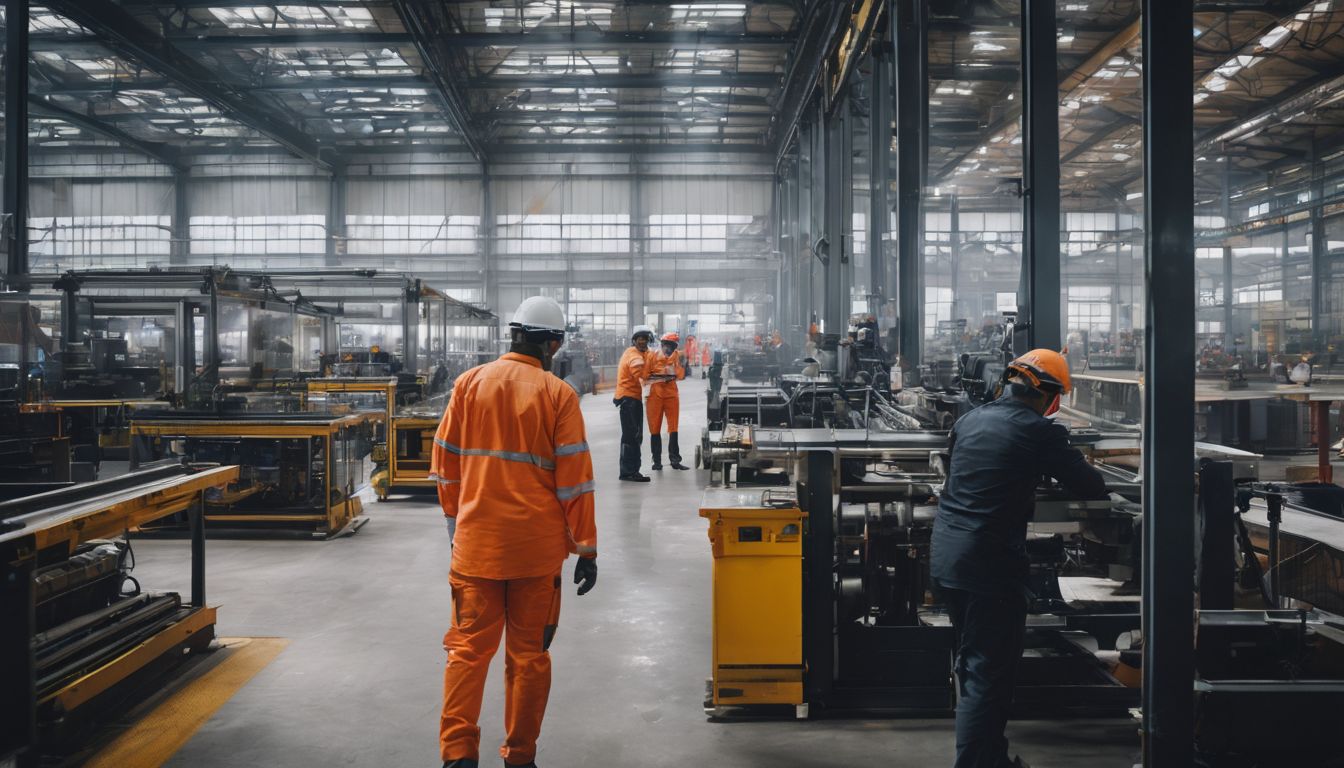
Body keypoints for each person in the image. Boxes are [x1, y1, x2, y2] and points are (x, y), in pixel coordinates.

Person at [430, 296, 599, 768]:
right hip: (535, 555)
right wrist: (586, 549)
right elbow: (576, 483)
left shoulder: (469, 384)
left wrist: (456, 524)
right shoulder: (557, 394)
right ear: (552, 343)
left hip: (476, 548)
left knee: (466, 653)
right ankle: (519, 757)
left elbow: (444, 464)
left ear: (514, 334)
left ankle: (458, 755)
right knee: (528, 658)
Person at [931, 349, 1106, 768]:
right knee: (987, 674)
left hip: (947, 559)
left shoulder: (969, 419)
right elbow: (1090, 485)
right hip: (988, 565)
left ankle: (992, 758)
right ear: (1050, 397)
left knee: (976, 664)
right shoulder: (1040, 432)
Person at [615, 325, 655, 482]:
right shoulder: (634, 355)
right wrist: (655, 374)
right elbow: (640, 373)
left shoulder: (639, 353)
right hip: (629, 399)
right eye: (640, 339)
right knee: (632, 435)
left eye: (645, 339)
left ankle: (629, 470)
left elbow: (650, 359)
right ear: (634, 341)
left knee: (632, 435)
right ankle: (629, 472)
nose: (643, 342)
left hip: (631, 398)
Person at [646, 331, 689, 471]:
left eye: (672, 346)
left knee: (673, 427)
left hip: (671, 395)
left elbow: (680, 376)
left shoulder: (677, 357)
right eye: (667, 345)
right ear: (662, 344)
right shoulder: (652, 356)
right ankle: (656, 462)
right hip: (655, 396)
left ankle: (675, 460)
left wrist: (681, 366)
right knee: (655, 428)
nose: (669, 349)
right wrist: (663, 375)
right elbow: (645, 376)